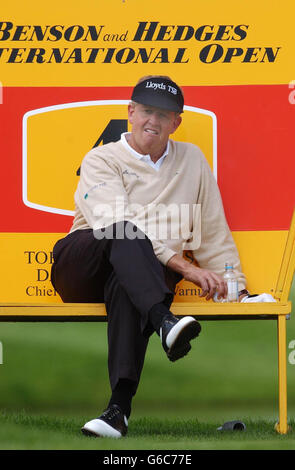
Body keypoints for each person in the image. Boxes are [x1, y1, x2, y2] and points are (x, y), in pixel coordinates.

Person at [50, 75, 248, 439]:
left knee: (132, 281)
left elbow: (211, 227)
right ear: (130, 112)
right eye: (145, 111)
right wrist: (184, 266)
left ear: (177, 122)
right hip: (82, 264)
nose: (152, 121)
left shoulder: (192, 159)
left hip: (137, 279)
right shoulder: (100, 158)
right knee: (126, 233)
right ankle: (164, 321)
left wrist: (236, 287)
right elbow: (115, 224)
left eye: (163, 114)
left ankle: (117, 412)